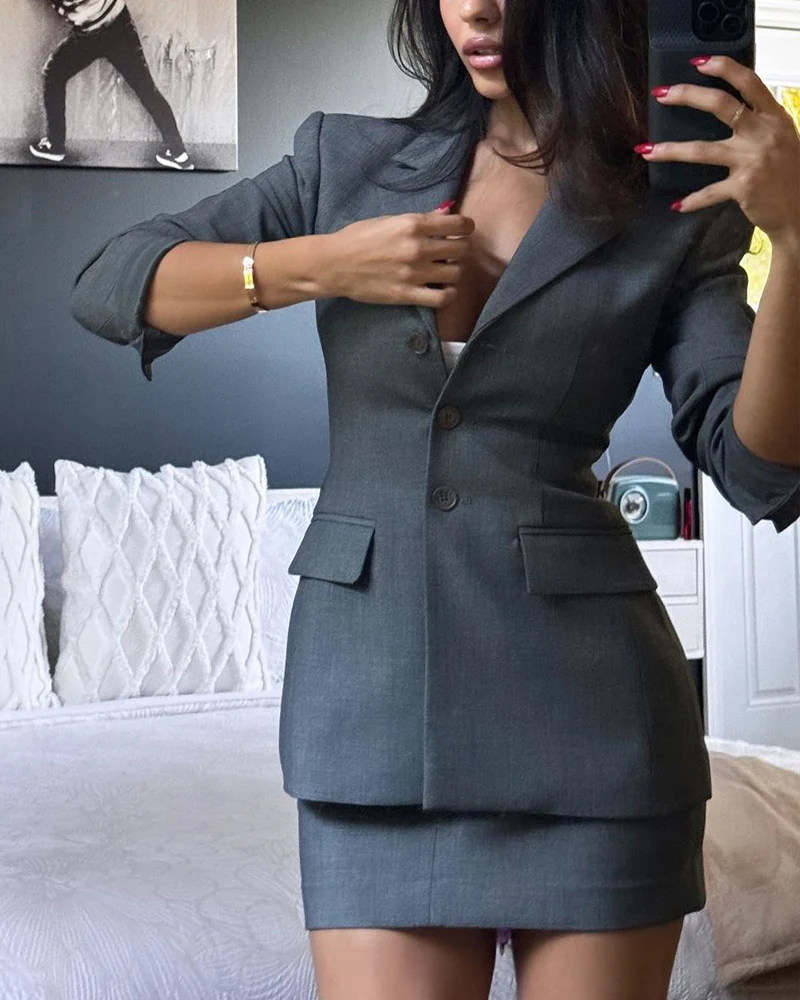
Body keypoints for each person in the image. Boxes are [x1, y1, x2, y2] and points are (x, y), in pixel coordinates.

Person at [69, 1, 800, 998]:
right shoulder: (344, 161)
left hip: (593, 721)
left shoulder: (671, 203)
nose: (479, 7)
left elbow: (758, 467)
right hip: (370, 716)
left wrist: (793, 236)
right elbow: (111, 282)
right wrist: (320, 263)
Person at [29, 0, 194, 169]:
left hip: (91, 34)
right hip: (117, 23)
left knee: (53, 74)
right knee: (146, 90)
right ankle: (178, 152)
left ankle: (55, 145)